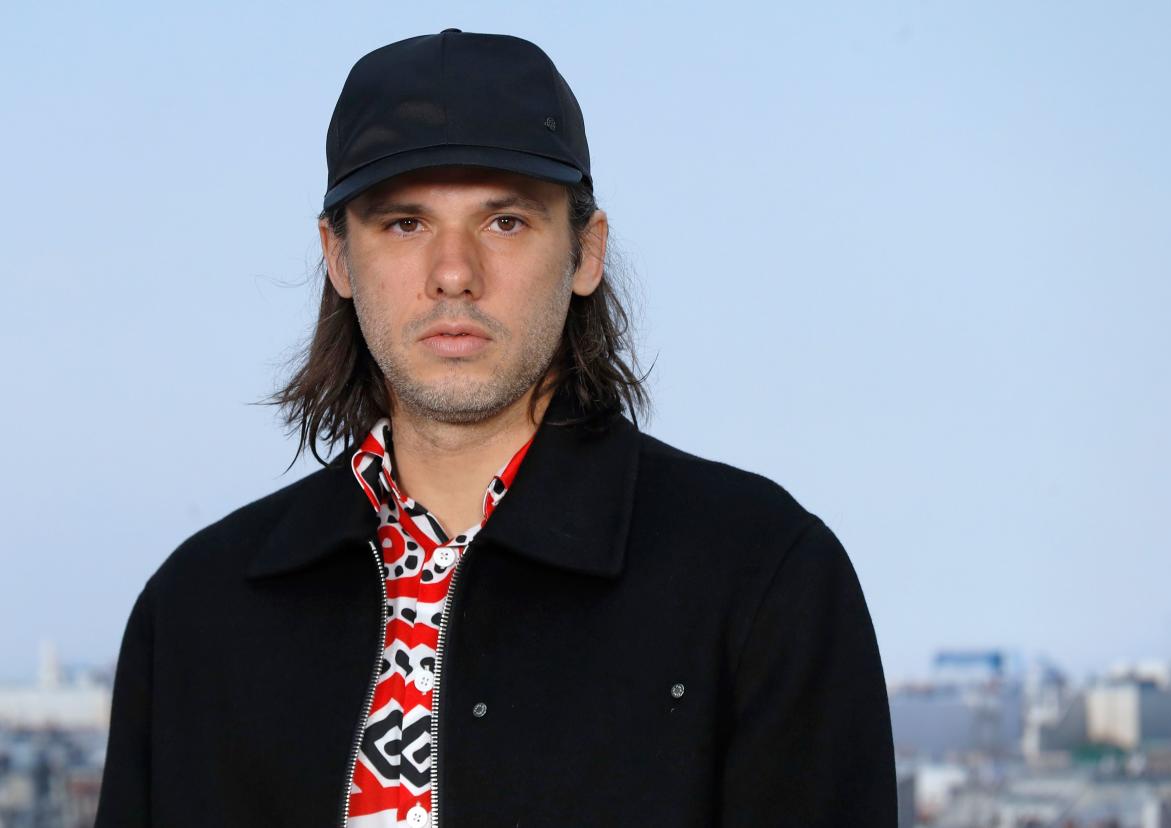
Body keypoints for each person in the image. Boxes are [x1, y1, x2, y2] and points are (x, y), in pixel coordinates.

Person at [95, 29, 896, 828]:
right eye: (404, 224)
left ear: (587, 252)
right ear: (337, 257)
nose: (454, 272)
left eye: (505, 221)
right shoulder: (196, 613)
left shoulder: (762, 580)